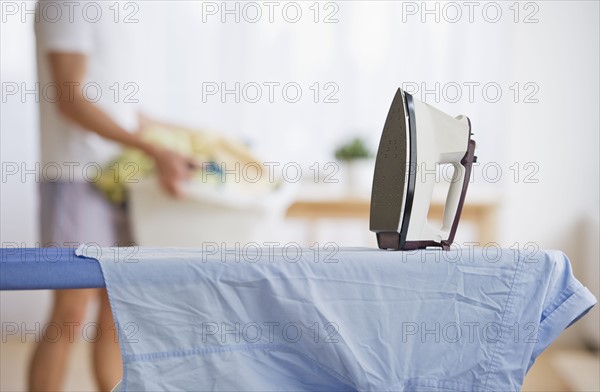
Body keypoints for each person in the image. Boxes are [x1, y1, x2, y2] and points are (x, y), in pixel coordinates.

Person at [30, 1, 197, 390]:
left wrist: (195, 139)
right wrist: (155, 150)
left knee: (116, 306)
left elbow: (122, 111)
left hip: (118, 178)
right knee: (71, 311)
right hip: (76, 176)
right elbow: (70, 98)